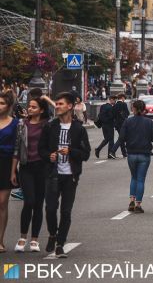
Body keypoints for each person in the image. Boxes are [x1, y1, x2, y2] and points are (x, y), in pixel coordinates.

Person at [37, 92, 91, 258]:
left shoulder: (78, 129)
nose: (57, 106)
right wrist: (49, 156)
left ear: (70, 106)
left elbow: (86, 153)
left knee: (66, 212)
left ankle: (60, 244)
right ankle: (53, 234)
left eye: (60, 104)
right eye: (57, 104)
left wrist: (71, 151)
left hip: (70, 176)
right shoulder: (50, 126)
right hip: (53, 174)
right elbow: (42, 149)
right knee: (50, 208)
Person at [11, 97, 49, 252]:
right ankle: (22, 237)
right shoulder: (22, 124)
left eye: (34, 107)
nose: (30, 109)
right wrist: (13, 170)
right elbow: (16, 148)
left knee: (39, 204)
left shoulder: (48, 125)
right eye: (29, 106)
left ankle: (34, 240)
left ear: (41, 109)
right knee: (29, 202)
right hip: (26, 167)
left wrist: (47, 98)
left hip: (43, 168)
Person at [115, 100, 153, 214]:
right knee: (141, 179)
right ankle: (138, 204)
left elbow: (122, 137)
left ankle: (131, 201)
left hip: (132, 153)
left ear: (133, 108)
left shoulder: (128, 122)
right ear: (144, 109)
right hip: (144, 154)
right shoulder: (148, 122)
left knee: (134, 177)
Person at [0, 91, 19, 253]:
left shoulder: (15, 124)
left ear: (8, 106)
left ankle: (0, 240)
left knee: (2, 202)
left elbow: (16, 150)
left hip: (6, 164)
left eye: (2, 103)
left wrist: (13, 171)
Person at [110, 94, 130, 158]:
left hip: (117, 124)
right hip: (123, 124)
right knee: (121, 138)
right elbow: (127, 113)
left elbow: (112, 115)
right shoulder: (124, 104)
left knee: (122, 138)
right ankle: (112, 151)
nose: (124, 100)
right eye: (124, 98)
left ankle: (124, 153)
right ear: (122, 97)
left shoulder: (115, 105)